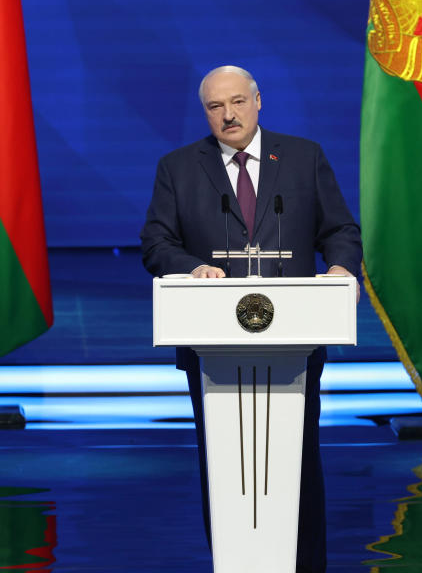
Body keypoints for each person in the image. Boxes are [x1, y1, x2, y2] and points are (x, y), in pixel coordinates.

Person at [140, 65, 362, 573]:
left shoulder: (303, 158)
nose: (228, 114)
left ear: (259, 101)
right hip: (212, 343)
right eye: (216, 107)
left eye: (237, 102)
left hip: (294, 340)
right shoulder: (177, 167)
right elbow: (156, 243)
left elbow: (340, 229)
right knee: (222, 465)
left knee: (299, 460)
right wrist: (193, 267)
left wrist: (340, 269)